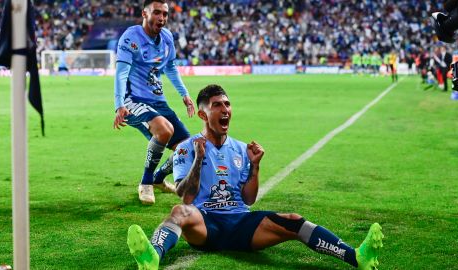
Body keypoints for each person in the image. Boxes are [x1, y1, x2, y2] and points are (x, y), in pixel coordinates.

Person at [126, 84, 384, 270]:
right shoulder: (186, 147)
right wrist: (199, 160)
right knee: (179, 211)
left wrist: (255, 166)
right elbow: (187, 196)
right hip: (205, 224)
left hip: (241, 222)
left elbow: (248, 199)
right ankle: (153, 257)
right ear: (204, 115)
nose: (225, 109)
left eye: (227, 104)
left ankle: (357, 257)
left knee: (293, 221)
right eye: (217, 105)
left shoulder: (240, 149)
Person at [113, 0, 196, 205]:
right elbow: (121, 73)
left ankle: (159, 179)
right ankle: (146, 182)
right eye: (157, 12)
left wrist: (184, 94)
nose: (162, 18)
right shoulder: (131, 37)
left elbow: (171, 68)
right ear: (145, 13)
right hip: (133, 101)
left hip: (158, 101)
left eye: (165, 14)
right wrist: (119, 105)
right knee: (164, 130)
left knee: (189, 149)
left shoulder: (167, 37)